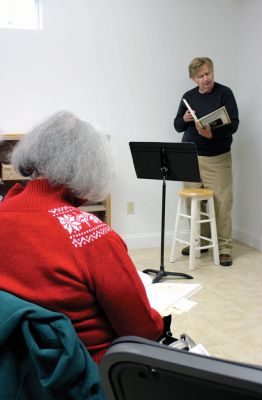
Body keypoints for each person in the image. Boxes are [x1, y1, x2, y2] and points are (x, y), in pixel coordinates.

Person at [0, 111, 164, 364]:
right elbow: (143, 331)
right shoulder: (92, 235)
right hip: (82, 373)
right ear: (88, 167)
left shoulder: (4, 210)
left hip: (16, 367)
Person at [174, 57, 239, 266]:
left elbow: (234, 125)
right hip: (190, 157)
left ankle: (224, 247)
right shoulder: (188, 97)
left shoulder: (225, 93)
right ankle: (199, 242)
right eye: (201, 76)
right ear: (193, 79)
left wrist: (212, 135)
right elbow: (177, 126)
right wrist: (183, 120)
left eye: (208, 73)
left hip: (217, 159)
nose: (206, 79)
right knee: (194, 203)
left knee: (221, 203)